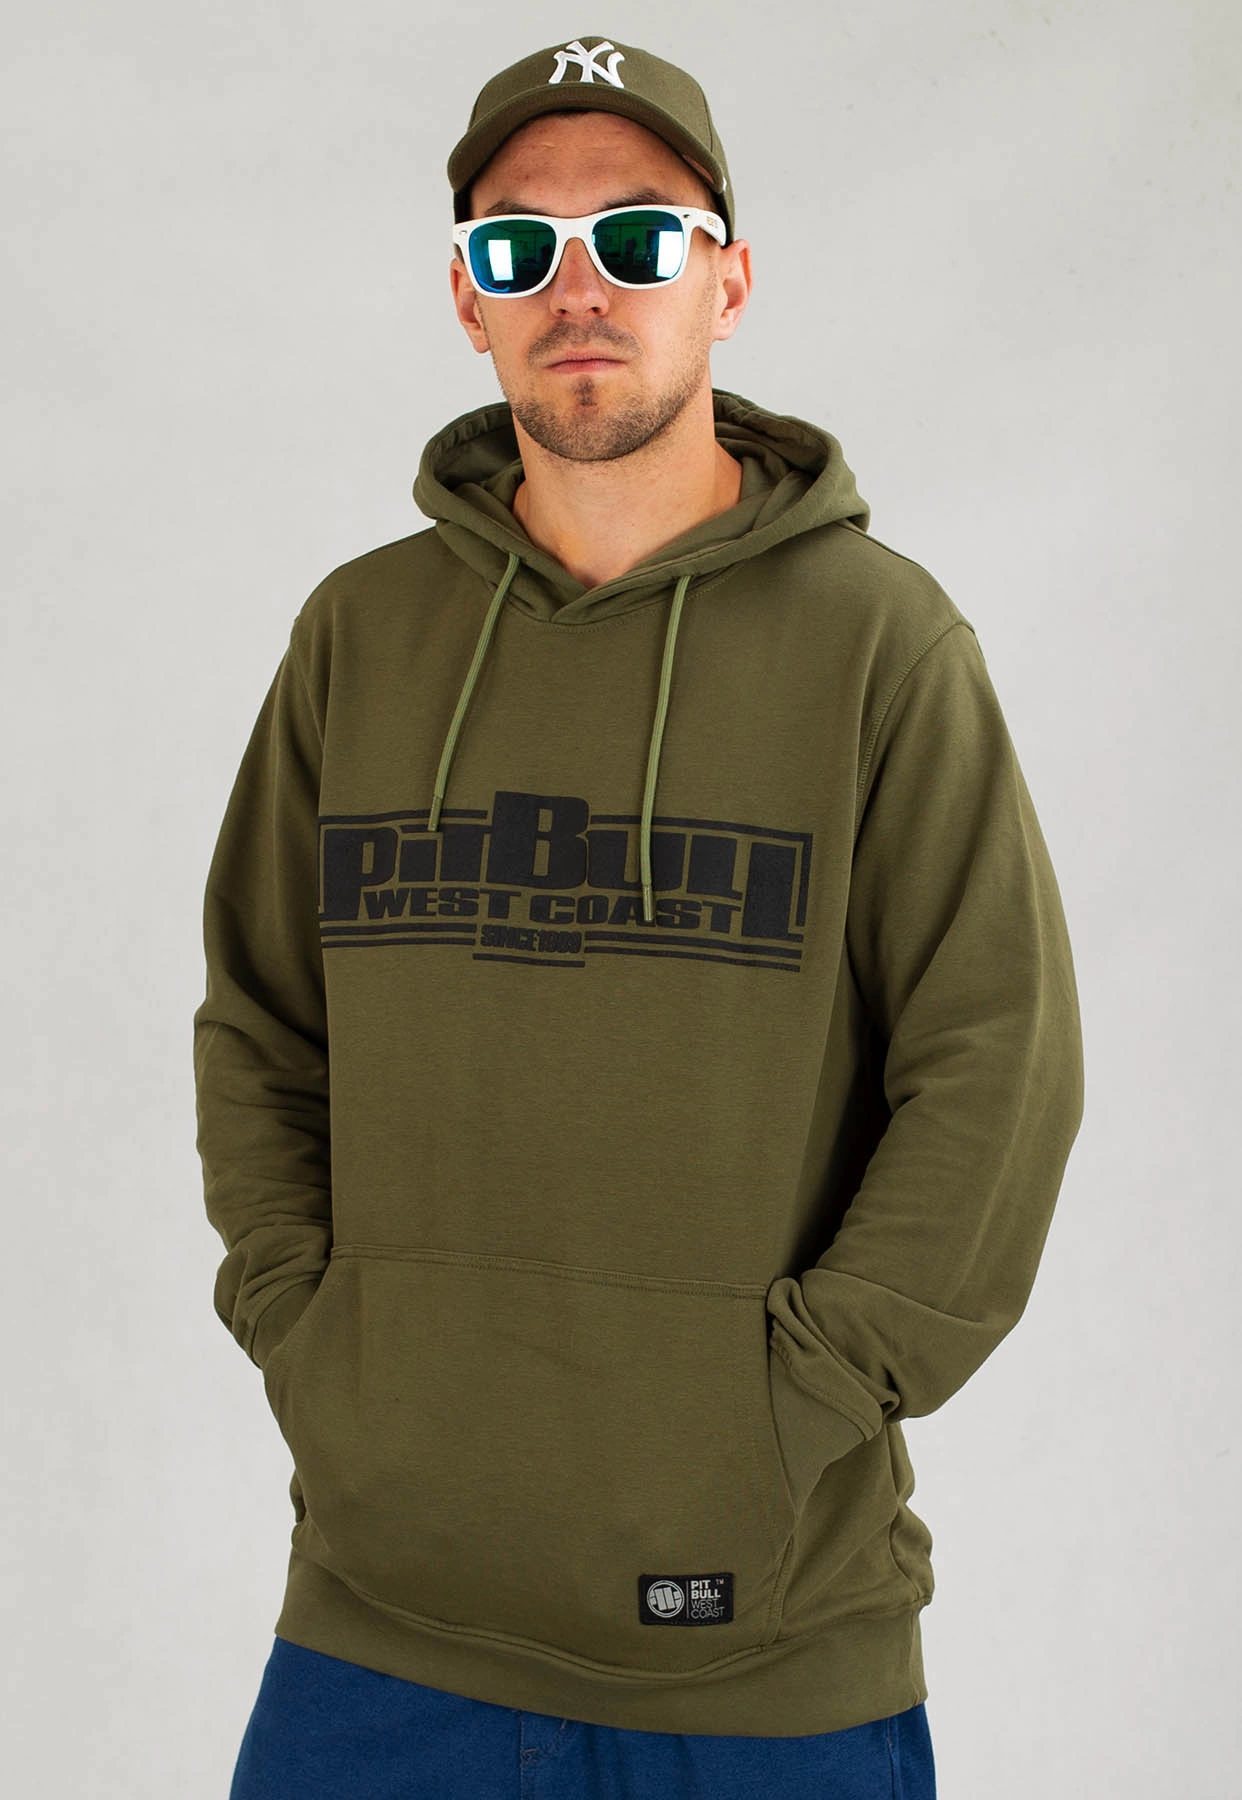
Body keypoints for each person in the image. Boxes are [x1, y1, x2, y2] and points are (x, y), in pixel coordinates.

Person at [194, 34, 1084, 1800]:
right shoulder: (358, 639)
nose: (578, 287)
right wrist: (313, 1334)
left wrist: (789, 1406)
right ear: (468, 299)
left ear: (726, 280)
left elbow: (996, 1066)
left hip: (763, 1661)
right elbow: (262, 1025)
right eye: (517, 245)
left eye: (638, 234)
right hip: (378, 1628)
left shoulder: (878, 644)